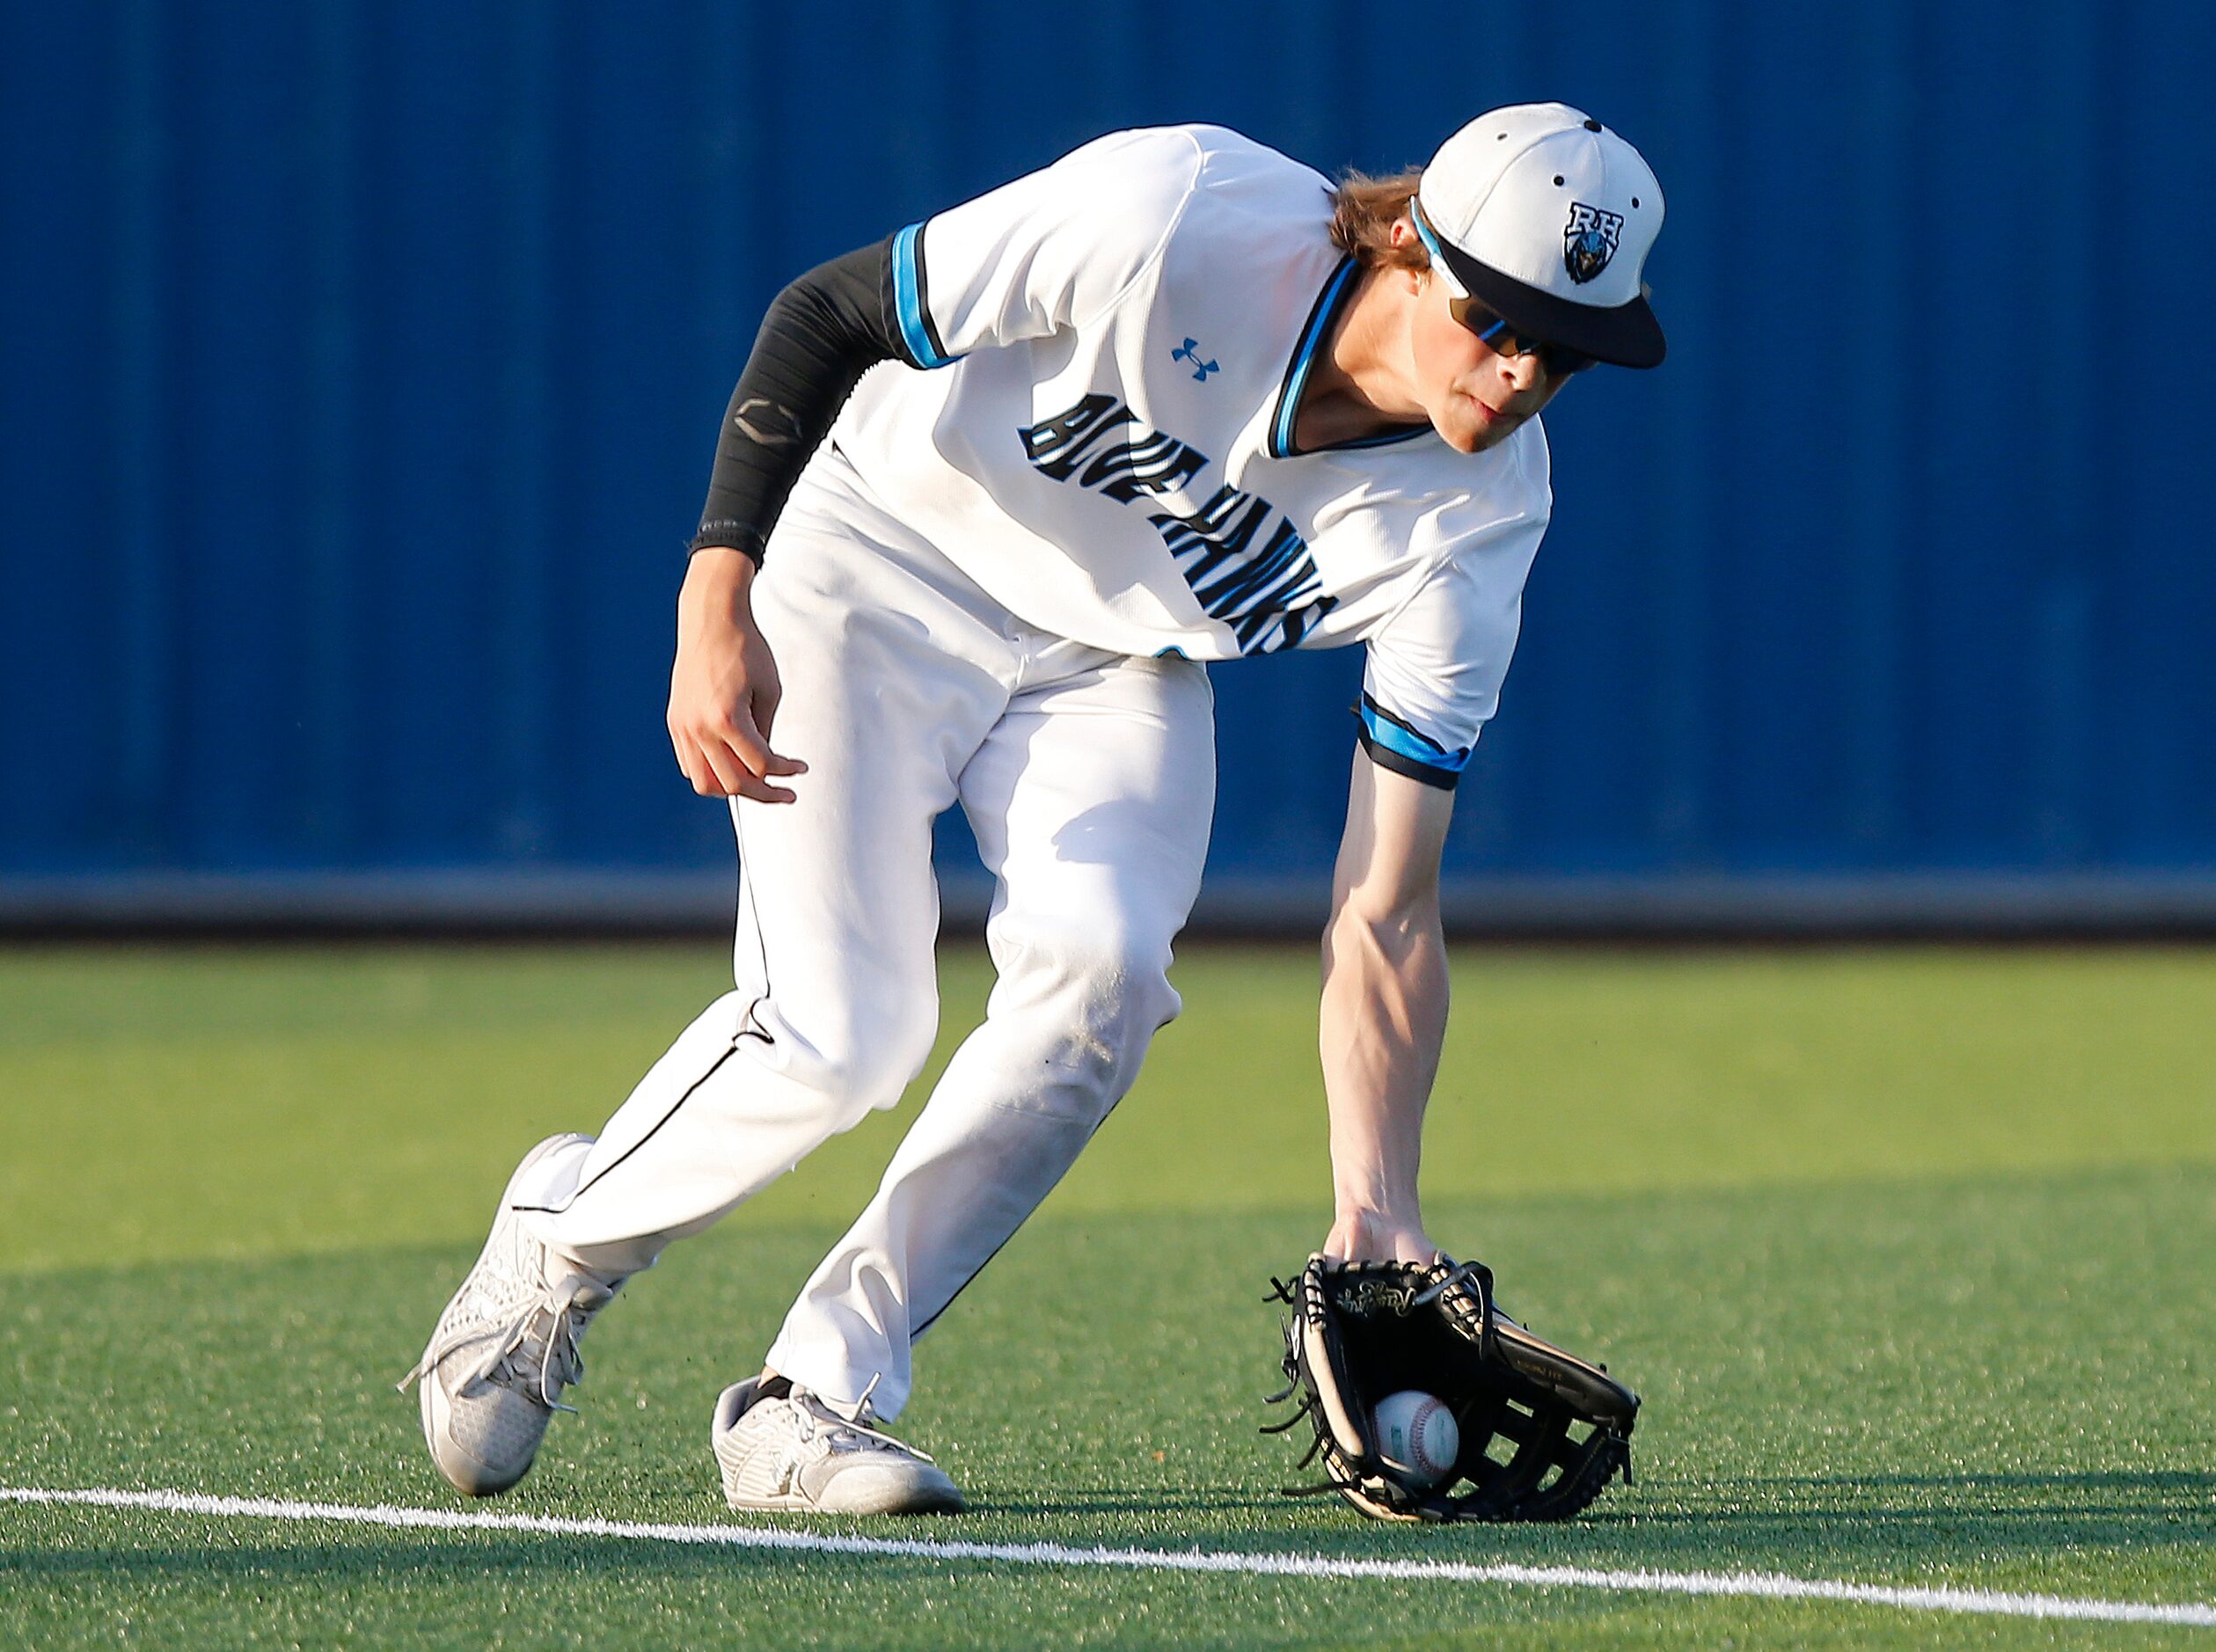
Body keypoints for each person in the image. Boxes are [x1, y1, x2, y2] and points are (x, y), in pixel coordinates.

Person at [403, 102, 1666, 1516]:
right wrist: (717, 593)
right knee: (840, 1030)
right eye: (1499, 317)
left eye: (1567, 348)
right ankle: (559, 1245)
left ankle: (814, 1394)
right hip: (878, 554)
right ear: (1414, 242)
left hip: (1113, 658)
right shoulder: (1179, 212)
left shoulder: (1479, 519)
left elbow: (1385, 906)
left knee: (1106, 979)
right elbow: (827, 312)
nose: (1521, 370)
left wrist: (1377, 1212)